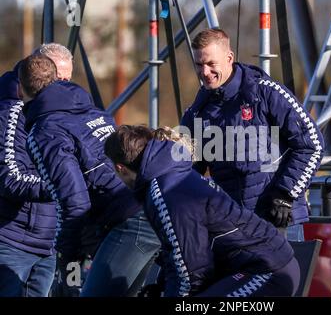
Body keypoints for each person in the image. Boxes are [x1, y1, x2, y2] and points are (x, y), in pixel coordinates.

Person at [18, 53, 161, 296]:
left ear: (21, 90)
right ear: (55, 79)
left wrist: (67, 255)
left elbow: (74, 202)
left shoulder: (45, 132)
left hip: (129, 222)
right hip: (151, 210)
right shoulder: (92, 110)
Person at [104, 124, 300, 297]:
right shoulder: (172, 176)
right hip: (259, 265)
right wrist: (162, 286)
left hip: (265, 270)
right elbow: (178, 252)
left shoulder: (165, 192)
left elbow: (192, 270)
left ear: (120, 168)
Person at [180, 28, 324, 238]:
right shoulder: (197, 110)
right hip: (232, 225)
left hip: (280, 220)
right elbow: (187, 169)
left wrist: (285, 193)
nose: (204, 72)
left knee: (288, 272)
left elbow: (312, 144)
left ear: (229, 58)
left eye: (211, 64)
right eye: (199, 65)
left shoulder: (265, 91)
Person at [0, 63, 56, 297]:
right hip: (12, 240)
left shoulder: (62, 115)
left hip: (49, 243)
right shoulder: (11, 114)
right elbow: (10, 178)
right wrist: (60, 187)